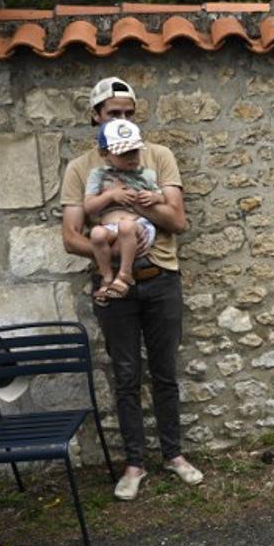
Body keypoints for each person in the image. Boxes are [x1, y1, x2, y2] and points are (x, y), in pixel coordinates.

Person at [60, 76, 203, 500]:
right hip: (113, 288)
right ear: (95, 117)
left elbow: (177, 222)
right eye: (112, 114)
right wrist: (107, 243)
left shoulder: (158, 156)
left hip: (160, 279)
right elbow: (71, 236)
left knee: (164, 373)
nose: (121, 119)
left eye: (128, 113)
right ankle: (134, 464)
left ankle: (174, 455)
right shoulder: (81, 168)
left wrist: (146, 209)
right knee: (125, 375)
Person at [84, 118, 165, 305]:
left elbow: (161, 196)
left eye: (134, 152)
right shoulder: (99, 175)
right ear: (105, 153)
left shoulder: (145, 174)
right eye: (123, 153)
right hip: (110, 227)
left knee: (126, 226)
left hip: (138, 226)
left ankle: (125, 274)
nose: (132, 158)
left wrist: (154, 198)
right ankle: (107, 277)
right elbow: (88, 207)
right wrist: (110, 196)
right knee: (96, 233)